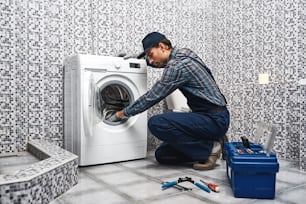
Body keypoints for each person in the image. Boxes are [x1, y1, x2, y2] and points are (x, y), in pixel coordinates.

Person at [115, 31, 230, 170]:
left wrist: (123, 113)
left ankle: (211, 148)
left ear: (162, 47)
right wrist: (139, 59)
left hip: (214, 119)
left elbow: (152, 97)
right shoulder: (183, 53)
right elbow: (159, 62)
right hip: (210, 117)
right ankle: (211, 141)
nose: (150, 61)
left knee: (156, 123)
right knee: (162, 155)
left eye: (151, 55)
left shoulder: (177, 67)